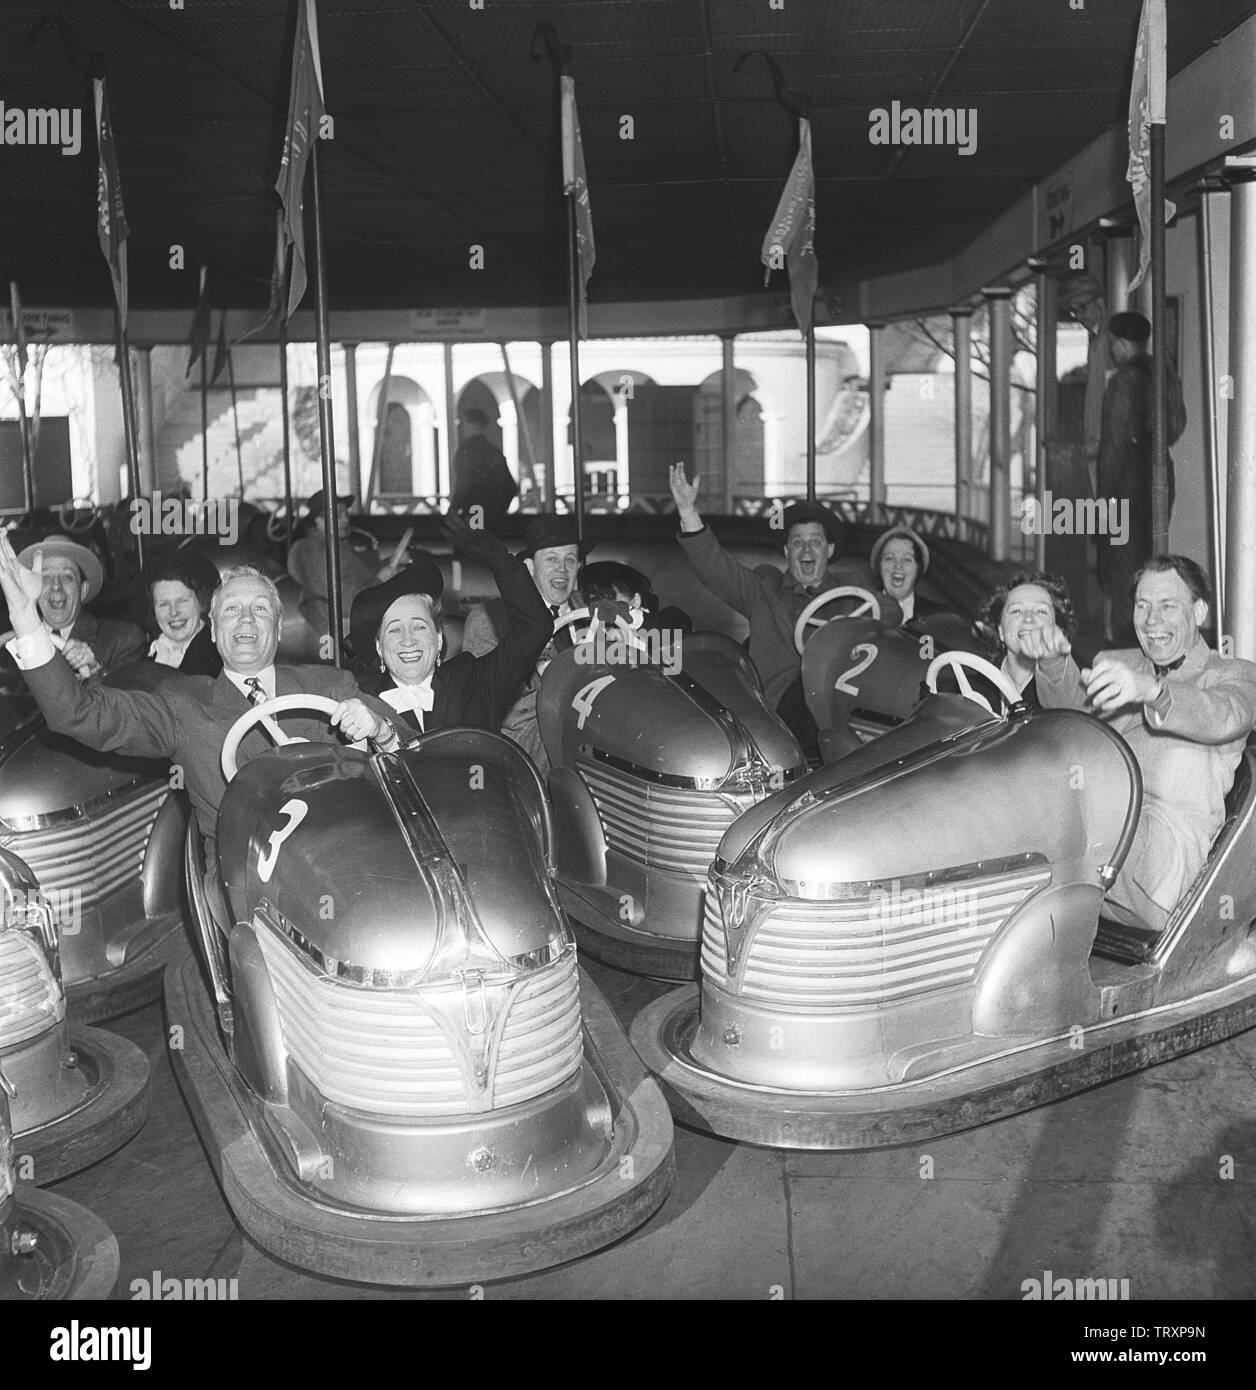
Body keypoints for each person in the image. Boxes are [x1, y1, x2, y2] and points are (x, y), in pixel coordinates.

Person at [0, 537, 402, 875]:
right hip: (245, 879)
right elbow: (78, 713)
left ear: (278, 629)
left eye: (260, 609)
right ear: (212, 631)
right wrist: (24, 616)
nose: (246, 620)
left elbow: (412, 755)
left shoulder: (330, 686)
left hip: (340, 865)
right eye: (231, 610)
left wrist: (380, 728)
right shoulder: (183, 704)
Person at [1026, 556, 1256, 932]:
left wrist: (1153, 691)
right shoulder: (1117, 663)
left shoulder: (1234, 675)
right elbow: (1073, 715)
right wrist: (1053, 663)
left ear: (1198, 612)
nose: (1152, 620)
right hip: (1102, 855)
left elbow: (1221, 715)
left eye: (1167, 606)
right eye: (1142, 605)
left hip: (1163, 870)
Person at [668, 463, 871, 758]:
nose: (806, 551)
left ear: (829, 550)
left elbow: (887, 615)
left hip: (846, 699)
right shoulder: (765, 588)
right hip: (782, 708)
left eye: (815, 542)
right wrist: (688, 511)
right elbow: (717, 569)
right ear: (787, 552)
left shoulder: (855, 591)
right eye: (797, 543)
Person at [349, 517, 551, 735]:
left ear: (438, 637)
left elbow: (535, 627)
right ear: (379, 646)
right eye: (395, 629)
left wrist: (497, 557)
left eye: (419, 627)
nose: (408, 640)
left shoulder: (475, 682)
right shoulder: (362, 704)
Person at [462, 514, 588, 777]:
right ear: (529, 567)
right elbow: (492, 707)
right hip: (522, 760)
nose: (562, 569)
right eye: (552, 559)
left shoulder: (592, 615)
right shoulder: (490, 619)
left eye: (570, 560)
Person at [1096, 311, 1187, 645]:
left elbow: (1113, 445)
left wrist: (1102, 500)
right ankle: (1155, 641)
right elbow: (1177, 426)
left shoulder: (1123, 380)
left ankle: (1125, 644)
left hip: (1126, 484)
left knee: (1123, 570)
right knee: (1152, 563)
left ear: (1119, 344)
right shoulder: (1164, 374)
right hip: (1161, 475)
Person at [13, 536, 144, 680]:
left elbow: (125, 699)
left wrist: (95, 669)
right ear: (33, 588)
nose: (56, 586)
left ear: (83, 590)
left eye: (67, 577)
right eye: (46, 578)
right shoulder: (13, 645)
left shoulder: (123, 640)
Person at [286, 489, 397, 640]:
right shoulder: (320, 552)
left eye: (346, 514)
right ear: (318, 521)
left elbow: (360, 576)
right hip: (345, 627)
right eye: (337, 516)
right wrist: (380, 580)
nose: (345, 520)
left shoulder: (334, 545)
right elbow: (346, 604)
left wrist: (391, 562)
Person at [978, 570, 1078, 710]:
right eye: (1016, 611)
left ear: (1057, 628)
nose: (1028, 618)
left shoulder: (1066, 688)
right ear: (1001, 631)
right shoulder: (974, 686)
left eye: (1041, 611)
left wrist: (1054, 663)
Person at [141, 550, 223, 677]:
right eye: (163, 604)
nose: (174, 612)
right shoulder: (149, 654)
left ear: (202, 603)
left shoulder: (218, 657)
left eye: (183, 601)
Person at [449, 408, 519, 532]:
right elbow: (511, 488)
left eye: (464, 422)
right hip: (495, 518)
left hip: (474, 512)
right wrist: (498, 509)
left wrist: (453, 509)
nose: (462, 427)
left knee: (472, 545)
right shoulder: (495, 452)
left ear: (474, 424)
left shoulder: (466, 452)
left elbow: (464, 484)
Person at [870, 525, 951, 626]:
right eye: (889, 558)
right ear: (879, 567)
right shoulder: (861, 612)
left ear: (918, 569)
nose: (898, 566)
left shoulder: (938, 617)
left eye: (907, 560)